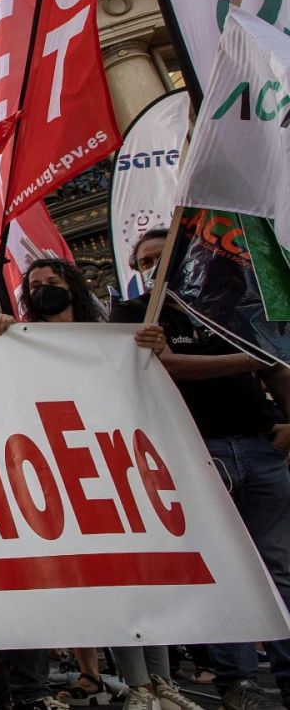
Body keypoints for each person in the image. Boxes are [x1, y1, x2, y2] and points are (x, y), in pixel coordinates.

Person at [119, 227, 290, 710]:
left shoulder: (230, 307)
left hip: (262, 449)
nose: (156, 267)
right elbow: (170, 368)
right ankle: (237, 681)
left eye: (165, 258)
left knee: (279, 568)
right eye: (147, 262)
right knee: (222, 569)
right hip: (196, 454)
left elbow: (278, 367)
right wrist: (250, 358)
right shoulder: (135, 317)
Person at [18, 257, 105, 323]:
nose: (43, 288)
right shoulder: (29, 336)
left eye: (52, 282)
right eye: (36, 286)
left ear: (71, 287)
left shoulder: (100, 330)